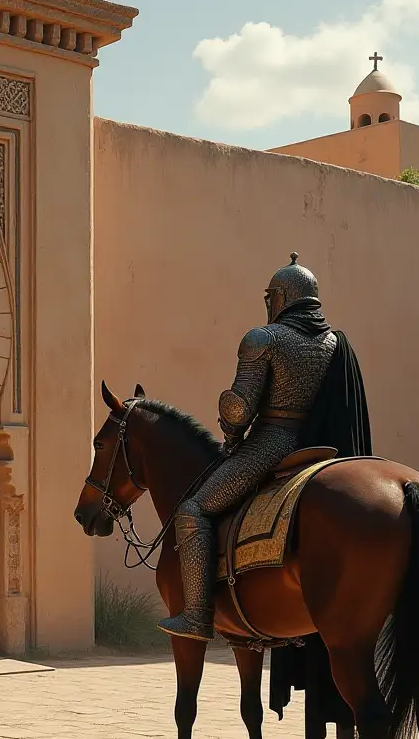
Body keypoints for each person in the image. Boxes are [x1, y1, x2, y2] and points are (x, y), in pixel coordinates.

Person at [158, 252, 370, 642]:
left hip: (271, 444)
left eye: (270, 297)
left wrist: (230, 426)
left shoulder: (264, 338)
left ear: (279, 297)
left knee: (192, 510)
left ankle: (197, 615)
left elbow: (240, 409)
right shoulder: (332, 342)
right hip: (317, 447)